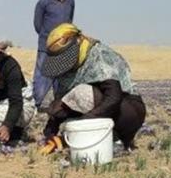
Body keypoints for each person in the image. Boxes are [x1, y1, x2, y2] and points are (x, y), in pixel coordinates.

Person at [39, 23, 146, 153]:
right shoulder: (68, 69)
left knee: (80, 94)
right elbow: (62, 103)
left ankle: (115, 139)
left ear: (77, 42)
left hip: (127, 111)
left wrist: (85, 122)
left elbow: (113, 96)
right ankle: (94, 140)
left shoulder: (100, 55)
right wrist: (50, 131)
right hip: (99, 113)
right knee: (64, 104)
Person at [33, 0, 75, 109]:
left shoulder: (70, 1)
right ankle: (36, 104)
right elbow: (38, 24)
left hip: (64, 46)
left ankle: (58, 106)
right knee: (42, 76)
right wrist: (49, 38)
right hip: (46, 47)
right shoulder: (44, 2)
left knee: (61, 77)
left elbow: (69, 21)